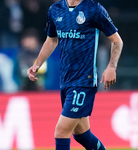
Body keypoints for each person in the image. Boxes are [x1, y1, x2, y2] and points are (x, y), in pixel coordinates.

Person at [27, 0, 123, 149]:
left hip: (84, 81)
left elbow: (117, 40)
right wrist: (37, 64)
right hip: (66, 81)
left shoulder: (93, 8)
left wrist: (111, 67)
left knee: (61, 131)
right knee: (82, 135)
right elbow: (52, 40)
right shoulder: (55, 9)